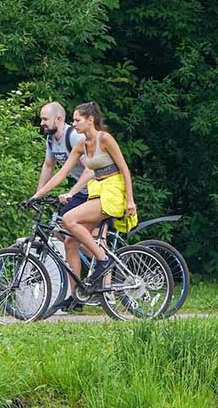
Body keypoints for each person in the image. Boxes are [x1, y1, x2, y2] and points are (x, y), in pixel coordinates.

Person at [30, 101, 138, 292]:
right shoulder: (81, 144)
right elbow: (61, 174)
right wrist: (37, 195)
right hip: (97, 190)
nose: (74, 124)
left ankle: (102, 259)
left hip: (113, 191)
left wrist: (130, 200)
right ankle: (76, 295)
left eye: (77, 120)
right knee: (71, 241)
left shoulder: (104, 139)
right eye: (73, 120)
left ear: (90, 120)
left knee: (69, 219)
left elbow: (124, 169)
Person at [37, 101, 93, 311]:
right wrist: (37, 195)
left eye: (44, 118)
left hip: (95, 191)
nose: (41, 123)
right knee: (65, 236)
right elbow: (49, 167)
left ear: (58, 119)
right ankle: (77, 295)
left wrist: (71, 192)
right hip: (80, 192)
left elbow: (91, 170)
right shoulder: (52, 140)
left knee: (77, 236)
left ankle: (104, 270)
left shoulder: (75, 137)